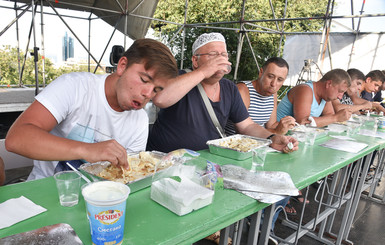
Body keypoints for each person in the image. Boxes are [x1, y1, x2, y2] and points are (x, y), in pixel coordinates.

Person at [5, 39, 178, 180]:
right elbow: (16, 138)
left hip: (100, 202)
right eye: (144, 79)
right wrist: (88, 150)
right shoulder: (75, 86)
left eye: (156, 90)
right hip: (45, 195)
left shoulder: (139, 120)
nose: (147, 94)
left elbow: (127, 175)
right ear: (122, 65)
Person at [147, 32, 298, 154]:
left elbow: (246, 126)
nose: (220, 59)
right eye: (213, 54)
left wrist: (271, 138)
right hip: (165, 163)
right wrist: (204, 71)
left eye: (223, 55)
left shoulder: (229, 88)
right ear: (195, 60)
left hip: (206, 164)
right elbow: (160, 99)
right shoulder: (179, 77)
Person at [225, 57, 295, 136]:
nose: (273, 84)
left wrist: (285, 125)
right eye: (270, 76)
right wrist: (276, 132)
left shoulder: (272, 94)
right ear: (261, 72)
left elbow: (271, 125)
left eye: (280, 79)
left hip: (260, 142)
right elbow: (242, 132)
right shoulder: (243, 91)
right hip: (234, 144)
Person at [276, 69, 352, 128]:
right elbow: (303, 123)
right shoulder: (305, 90)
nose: (340, 96)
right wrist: (336, 118)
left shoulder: (325, 96)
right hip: (276, 135)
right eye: (340, 91)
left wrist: (333, 118)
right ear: (329, 84)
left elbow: (329, 117)